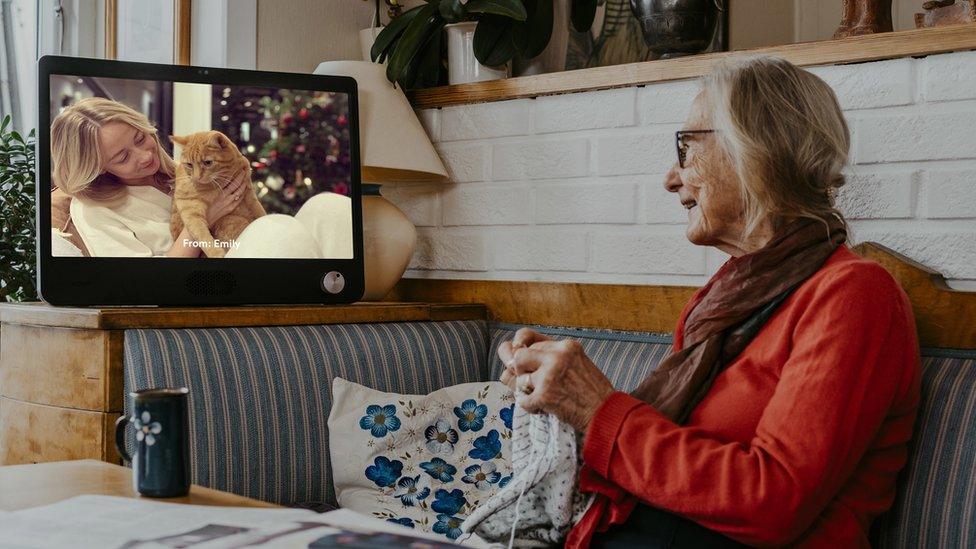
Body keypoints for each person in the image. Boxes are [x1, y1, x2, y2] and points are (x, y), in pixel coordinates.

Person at [498, 56, 921, 548]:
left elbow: (772, 500)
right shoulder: (723, 299)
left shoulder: (853, 295)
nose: (670, 179)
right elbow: (666, 456)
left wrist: (597, 412)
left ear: (755, 149)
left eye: (687, 148)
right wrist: (556, 392)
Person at [50, 97, 352, 259]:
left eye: (140, 138)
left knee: (330, 208)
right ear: (99, 168)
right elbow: (145, 285)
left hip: (242, 246)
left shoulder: (178, 173)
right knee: (278, 232)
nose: (144, 155)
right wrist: (205, 217)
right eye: (123, 157)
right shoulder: (93, 211)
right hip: (211, 281)